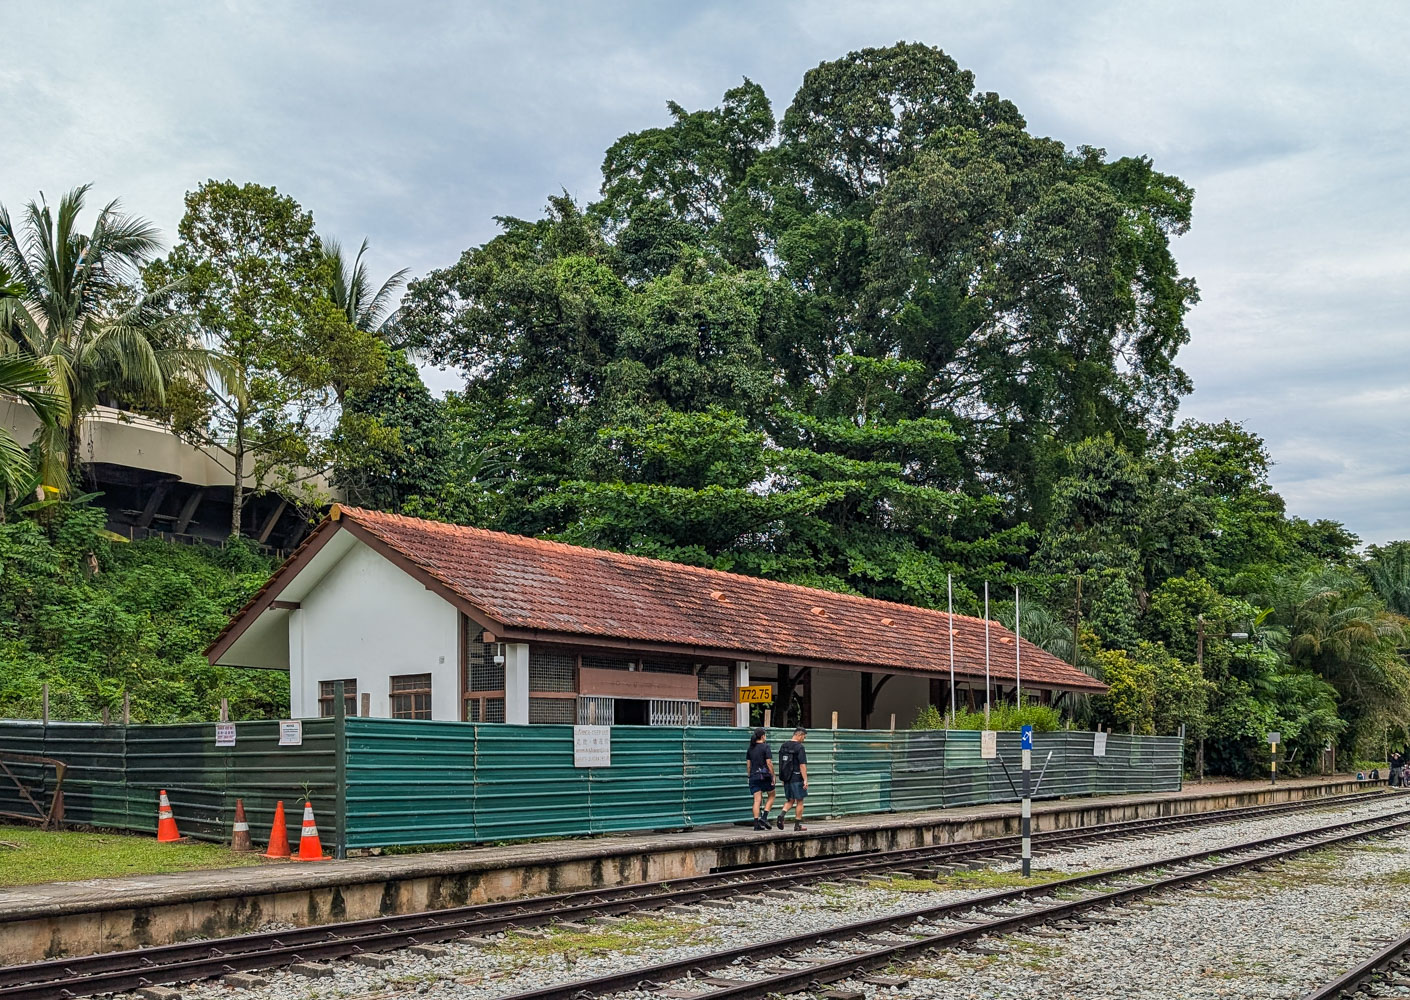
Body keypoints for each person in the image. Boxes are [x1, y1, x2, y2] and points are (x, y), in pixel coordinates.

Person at [776, 726, 809, 832]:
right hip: (797, 777)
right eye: (804, 736)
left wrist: (783, 777)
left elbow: (781, 763)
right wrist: (805, 779)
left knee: (790, 800)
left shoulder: (784, 746)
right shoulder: (799, 747)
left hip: (787, 778)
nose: (804, 739)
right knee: (800, 801)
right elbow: (802, 765)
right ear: (798, 735)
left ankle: (782, 815)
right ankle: (797, 825)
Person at [745, 727, 776, 830]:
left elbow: (748, 765)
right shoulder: (765, 747)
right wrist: (773, 775)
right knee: (772, 795)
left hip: (754, 776)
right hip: (764, 776)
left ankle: (756, 824)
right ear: (763, 736)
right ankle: (764, 817)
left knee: (757, 800)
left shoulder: (750, 748)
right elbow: (769, 763)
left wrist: (749, 775)